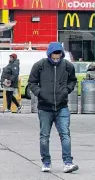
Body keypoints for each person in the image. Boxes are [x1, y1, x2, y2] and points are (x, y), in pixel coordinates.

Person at [28, 42, 78, 173]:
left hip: (62, 106)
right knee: (44, 136)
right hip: (45, 107)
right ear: (49, 55)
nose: (55, 60)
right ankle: (46, 162)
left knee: (65, 135)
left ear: (61, 55)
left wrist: (66, 90)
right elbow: (32, 82)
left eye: (58, 57)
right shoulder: (40, 65)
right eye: (53, 57)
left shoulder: (67, 66)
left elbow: (73, 80)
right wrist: (40, 93)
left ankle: (68, 162)